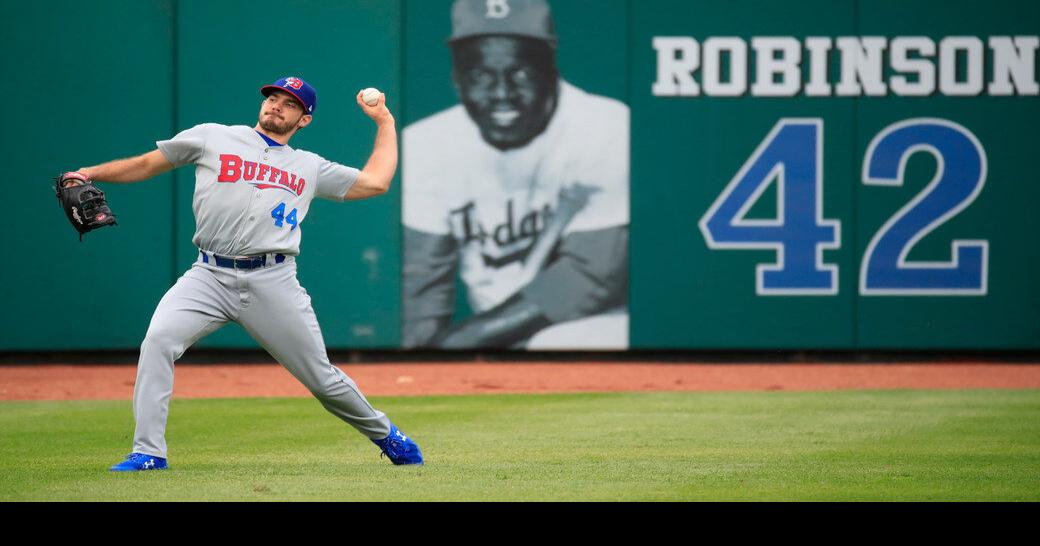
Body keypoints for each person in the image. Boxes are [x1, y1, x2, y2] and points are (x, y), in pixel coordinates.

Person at [66, 76, 423, 471]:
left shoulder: (309, 166)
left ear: (304, 119)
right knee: (158, 342)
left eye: (289, 103)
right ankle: (148, 452)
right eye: (273, 97)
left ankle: (388, 435)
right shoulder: (212, 137)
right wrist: (90, 172)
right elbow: (148, 163)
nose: (276, 105)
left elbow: (376, 182)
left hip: (273, 281)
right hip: (208, 275)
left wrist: (385, 122)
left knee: (322, 379)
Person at [402, 0, 630, 349]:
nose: (502, 94)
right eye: (480, 76)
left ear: (551, 71)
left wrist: (462, 342)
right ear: (457, 80)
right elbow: (422, 283)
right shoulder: (426, 143)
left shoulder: (604, 125)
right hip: (488, 334)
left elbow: (593, 275)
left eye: (522, 73)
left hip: (591, 325)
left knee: (556, 342)